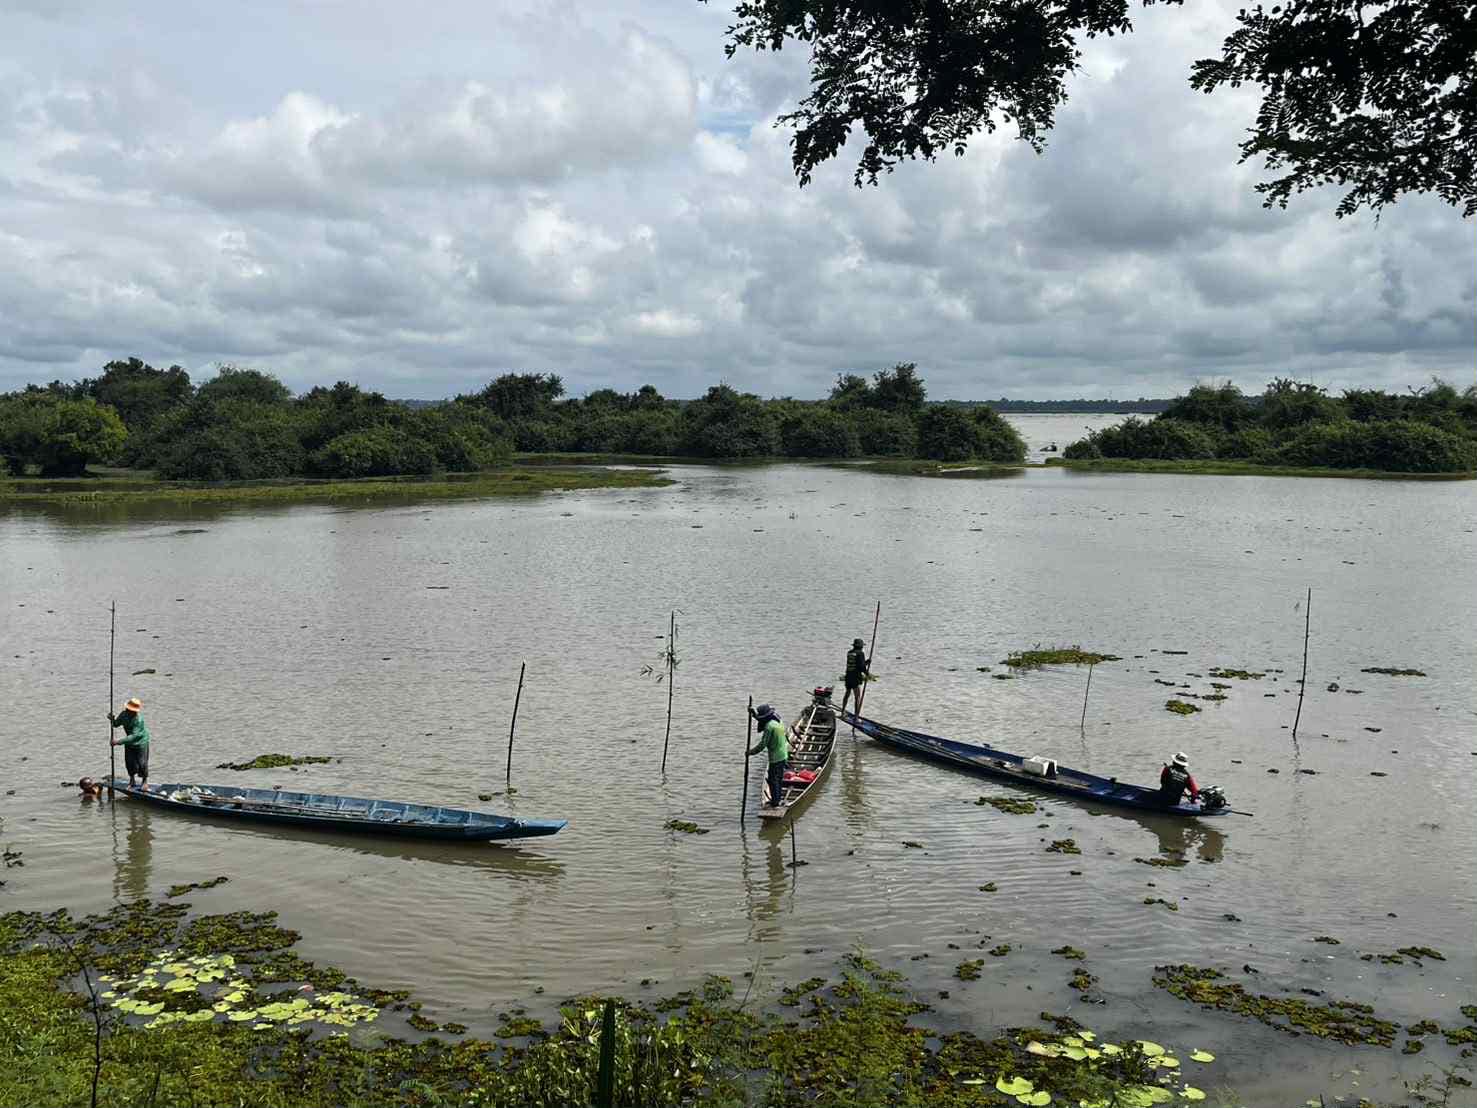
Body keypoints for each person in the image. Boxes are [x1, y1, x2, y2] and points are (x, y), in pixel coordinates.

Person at [748, 703, 789, 811]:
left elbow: (762, 745)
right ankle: (777, 799)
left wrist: (750, 752)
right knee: (778, 779)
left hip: (775, 757)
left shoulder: (769, 727)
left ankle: (775, 803)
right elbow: (761, 719)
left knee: (773, 780)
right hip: (783, 754)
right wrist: (754, 714)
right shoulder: (777, 722)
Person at [109, 697, 151, 790]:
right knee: (129, 761)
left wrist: (118, 742)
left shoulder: (138, 720)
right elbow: (116, 724)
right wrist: (112, 719)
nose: (129, 711)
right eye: (128, 709)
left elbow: (134, 736)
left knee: (142, 762)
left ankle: (144, 781)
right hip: (129, 742)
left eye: (131, 710)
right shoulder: (123, 715)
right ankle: (132, 780)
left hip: (141, 742)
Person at [841, 637, 870, 715]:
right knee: (857, 697)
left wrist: (866, 662)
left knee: (847, 694)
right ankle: (856, 716)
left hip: (848, 676)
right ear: (860, 646)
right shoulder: (860, 653)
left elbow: (856, 664)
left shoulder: (849, 653)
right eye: (862, 646)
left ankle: (842, 711)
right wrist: (867, 674)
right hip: (855, 677)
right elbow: (861, 667)